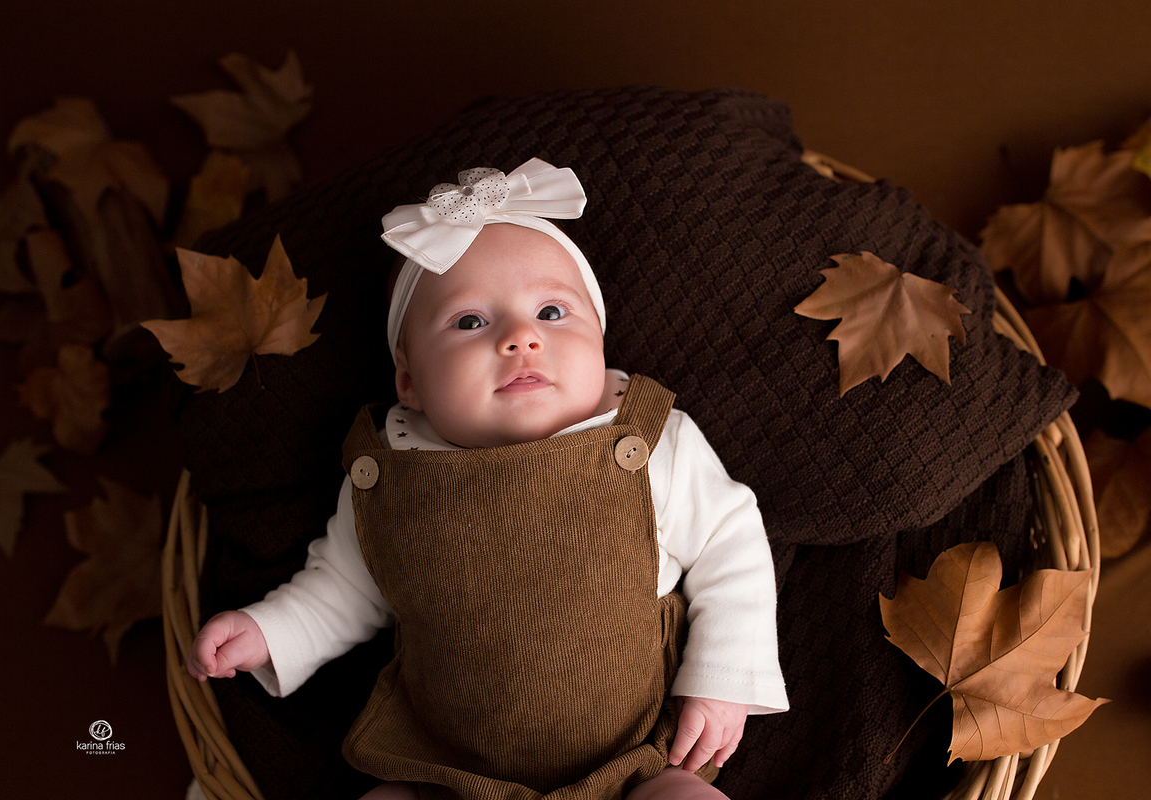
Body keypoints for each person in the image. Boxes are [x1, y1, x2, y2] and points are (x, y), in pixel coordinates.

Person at [188, 158, 788, 800]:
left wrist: (721, 677)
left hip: (638, 763)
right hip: (448, 773)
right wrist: (267, 632)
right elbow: (343, 588)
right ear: (410, 383)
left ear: (603, 346)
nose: (521, 337)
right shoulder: (394, 472)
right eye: (470, 322)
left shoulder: (646, 442)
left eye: (553, 312)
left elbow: (732, 546)